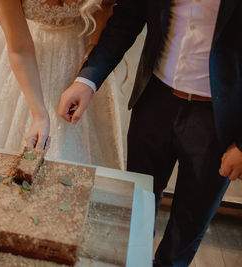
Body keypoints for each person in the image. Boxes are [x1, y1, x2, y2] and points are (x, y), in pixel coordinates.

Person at [58, 0, 242, 266]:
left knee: (187, 229)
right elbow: (127, 20)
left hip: (217, 119)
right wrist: (87, 80)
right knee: (136, 212)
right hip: (154, 101)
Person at [0, 0, 124, 169]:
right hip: (27, 49)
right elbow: (20, 49)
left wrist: (91, 57)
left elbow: (104, 7)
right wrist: (39, 114)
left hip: (83, 42)